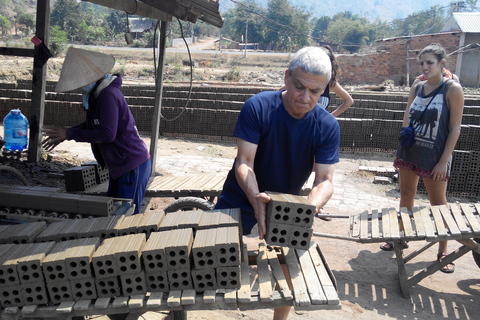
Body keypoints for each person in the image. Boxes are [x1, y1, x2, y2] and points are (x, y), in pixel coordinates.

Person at [215, 46, 340, 320]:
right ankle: (180, 312)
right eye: (299, 87)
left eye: (316, 92)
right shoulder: (258, 107)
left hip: (286, 206)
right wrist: (254, 195)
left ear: (325, 89)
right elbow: (244, 162)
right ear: (286, 77)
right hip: (240, 195)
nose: (305, 98)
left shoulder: (327, 126)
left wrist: (308, 208)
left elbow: (325, 180)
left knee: (290, 265)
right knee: (209, 252)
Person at [380, 43, 464, 274]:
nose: (425, 67)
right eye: (422, 63)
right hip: (411, 151)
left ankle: (443, 251)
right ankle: (402, 237)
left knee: (438, 203)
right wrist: (405, 136)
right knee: (406, 194)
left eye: (430, 63)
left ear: (441, 64)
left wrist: (443, 160)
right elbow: (408, 114)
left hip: (435, 155)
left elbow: (455, 128)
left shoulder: (452, 89)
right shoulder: (417, 87)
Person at [42, 47, 151, 214]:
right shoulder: (98, 96)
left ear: (91, 78)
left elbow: (107, 134)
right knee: (113, 212)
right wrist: (67, 133)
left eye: (81, 82)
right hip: (119, 165)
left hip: (131, 164)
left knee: (126, 217)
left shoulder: (108, 95)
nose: (80, 87)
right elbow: (93, 124)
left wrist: (70, 134)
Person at [277, 46, 352, 222]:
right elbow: (279, 94)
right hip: (298, 130)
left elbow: (349, 100)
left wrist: (330, 117)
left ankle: (314, 207)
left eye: (314, 91)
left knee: (320, 175)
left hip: (315, 135)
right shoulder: (299, 81)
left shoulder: (330, 85)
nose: (306, 96)